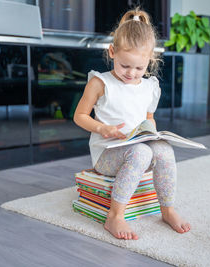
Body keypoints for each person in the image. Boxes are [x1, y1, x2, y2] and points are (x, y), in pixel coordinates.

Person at [73, 8, 191, 240]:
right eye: (125, 66)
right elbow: (80, 116)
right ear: (112, 52)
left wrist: (153, 134)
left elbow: (148, 119)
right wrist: (102, 128)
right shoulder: (100, 83)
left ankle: (167, 209)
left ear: (150, 60)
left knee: (164, 150)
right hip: (107, 155)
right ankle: (115, 216)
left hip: (140, 149)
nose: (131, 73)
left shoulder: (149, 87)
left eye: (139, 68)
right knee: (139, 153)